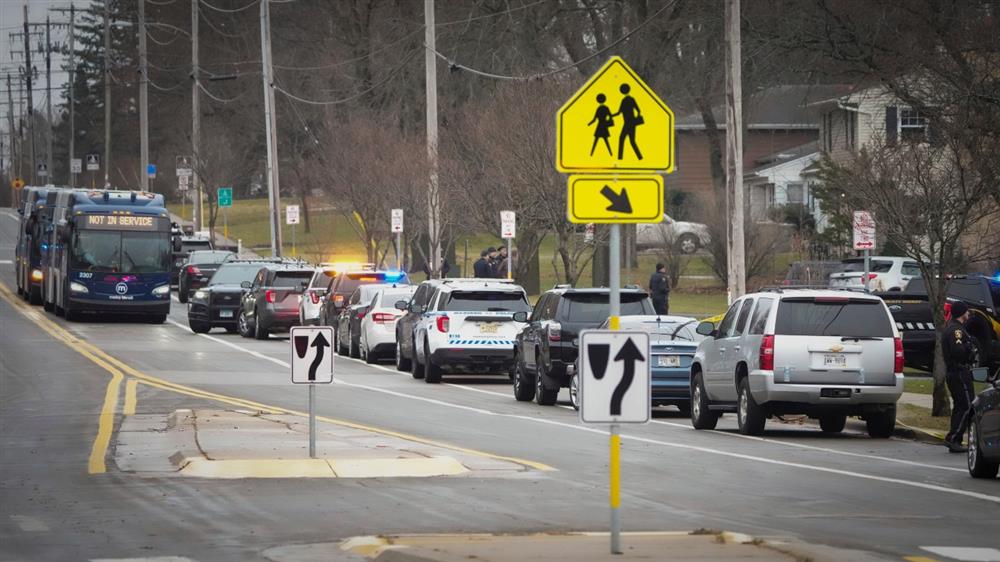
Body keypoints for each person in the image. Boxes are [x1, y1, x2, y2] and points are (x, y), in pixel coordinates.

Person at [941, 301, 976, 453]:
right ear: (962, 313)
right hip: (959, 372)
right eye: (967, 311)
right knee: (967, 406)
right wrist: (970, 349)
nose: (969, 314)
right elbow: (958, 352)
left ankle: (954, 438)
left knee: (960, 406)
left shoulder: (955, 328)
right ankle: (954, 438)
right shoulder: (956, 331)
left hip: (955, 373)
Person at [612, 83, 643, 161]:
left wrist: (611, 116)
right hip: (631, 123)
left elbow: (619, 112)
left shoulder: (624, 101)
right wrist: (636, 117)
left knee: (622, 139)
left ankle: (620, 158)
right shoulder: (631, 99)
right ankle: (639, 157)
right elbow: (638, 110)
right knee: (631, 141)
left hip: (628, 123)